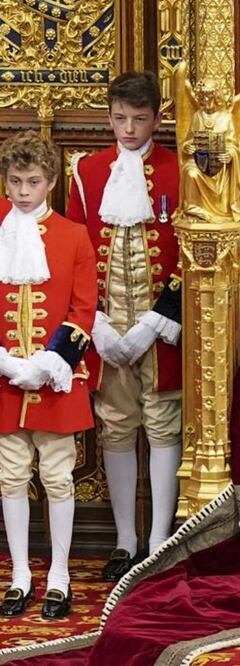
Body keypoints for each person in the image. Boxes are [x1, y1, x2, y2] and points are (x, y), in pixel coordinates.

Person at [66, 71, 184, 582]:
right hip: (106, 326)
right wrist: (94, 322)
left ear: (157, 118)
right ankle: (124, 540)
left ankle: (158, 540)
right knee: (116, 425)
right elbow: (75, 250)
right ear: (108, 116)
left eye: (139, 119)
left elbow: (193, 255)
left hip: (159, 327)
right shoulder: (87, 171)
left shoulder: (180, 171)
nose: (129, 129)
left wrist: (159, 321)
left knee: (163, 422)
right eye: (119, 119)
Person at [0, 130, 97, 619]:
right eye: (14, 181)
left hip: (56, 381)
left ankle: (58, 575)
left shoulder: (72, 235)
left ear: (51, 183)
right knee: (10, 477)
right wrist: (5, 361)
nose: (21, 192)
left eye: (32, 182)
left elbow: (84, 311)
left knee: (58, 478)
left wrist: (44, 364)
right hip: (2, 380)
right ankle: (20, 575)